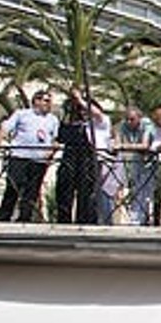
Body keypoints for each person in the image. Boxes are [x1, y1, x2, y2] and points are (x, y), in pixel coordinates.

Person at [0, 89, 59, 222]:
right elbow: (6, 127)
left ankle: (25, 217)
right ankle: (4, 215)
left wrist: (51, 152)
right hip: (20, 155)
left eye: (50, 101)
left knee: (32, 189)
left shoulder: (53, 119)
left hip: (39, 159)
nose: (48, 104)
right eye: (46, 101)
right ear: (36, 101)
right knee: (13, 186)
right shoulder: (22, 114)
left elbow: (55, 139)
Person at [52, 87, 106, 225]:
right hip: (69, 158)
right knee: (64, 190)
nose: (83, 112)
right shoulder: (71, 124)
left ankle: (85, 221)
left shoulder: (99, 123)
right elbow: (59, 140)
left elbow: (98, 114)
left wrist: (80, 99)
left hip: (87, 160)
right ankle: (63, 220)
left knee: (86, 193)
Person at [113, 106, 156, 225]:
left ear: (139, 118)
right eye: (127, 119)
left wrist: (123, 146)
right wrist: (119, 142)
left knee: (146, 190)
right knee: (136, 189)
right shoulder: (124, 124)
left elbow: (144, 145)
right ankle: (136, 218)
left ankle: (144, 218)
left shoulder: (146, 124)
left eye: (132, 119)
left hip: (151, 161)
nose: (129, 122)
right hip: (136, 160)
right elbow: (116, 141)